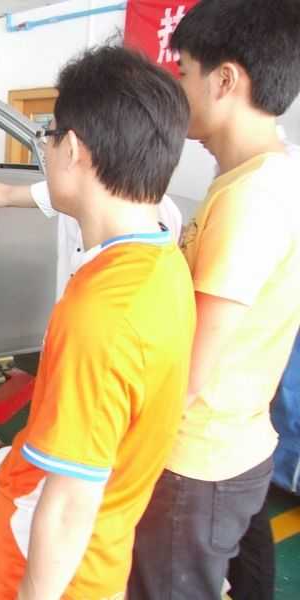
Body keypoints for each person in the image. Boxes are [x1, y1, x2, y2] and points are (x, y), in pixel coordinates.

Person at [0, 45, 195, 599]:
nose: (43, 149)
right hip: (101, 556)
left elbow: (69, 503)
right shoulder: (162, 261)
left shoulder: (102, 312)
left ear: (71, 149)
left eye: (46, 135)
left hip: (57, 578)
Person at [127, 1, 300, 598]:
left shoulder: (252, 197)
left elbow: (193, 369)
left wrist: (121, 450)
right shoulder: (266, 178)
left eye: (183, 74)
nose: (178, 91)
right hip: (237, 443)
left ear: (225, 80)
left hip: (196, 460)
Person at [0, 152, 183, 305]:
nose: (45, 151)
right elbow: (2, 194)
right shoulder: (65, 193)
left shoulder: (164, 217)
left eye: (50, 139)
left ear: (72, 149)